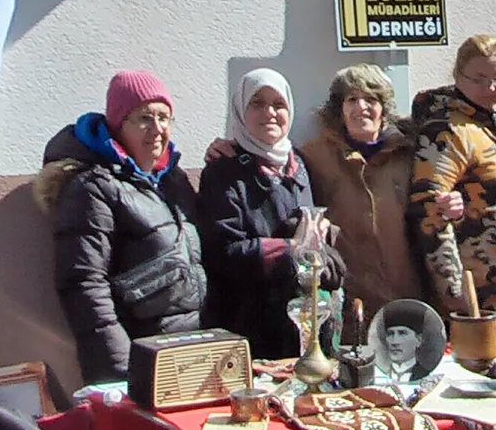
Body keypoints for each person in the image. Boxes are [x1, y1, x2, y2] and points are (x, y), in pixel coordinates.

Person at [34, 70, 206, 384]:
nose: (157, 129)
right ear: (118, 124)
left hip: (189, 358)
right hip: (137, 366)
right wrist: (123, 370)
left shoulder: (174, 181)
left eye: (164, 118)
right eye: (144, 118)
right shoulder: (93, 188)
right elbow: (84, 284)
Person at [300, 64, 462, 338]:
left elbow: (436, 204)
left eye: (371, 99)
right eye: (352, 99)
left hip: (409, 301)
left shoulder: (409, 154)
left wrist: (453, 206)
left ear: (384, 108)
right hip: (352, 310)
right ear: (340, 108)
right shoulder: (314, 157)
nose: (361, 107)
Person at [197, 68, 345, 360]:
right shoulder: (223, 171)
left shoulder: (299, 164)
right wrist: (291, 249)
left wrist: (321, 233)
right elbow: (222, 253)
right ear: (240, 111)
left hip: (304, 327)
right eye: (257, 104)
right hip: (250, 330)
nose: (270, 113)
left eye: (279, 104)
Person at [407, 34, 496, 323]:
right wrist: (456, 297)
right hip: (484, 298)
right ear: (458, 75)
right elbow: (429, 213)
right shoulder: (447, 130)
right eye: (479, 79)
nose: (490, 88)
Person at [379, 300, 430, 383]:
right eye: (390, 334)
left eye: (402, 333)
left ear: (418, 340)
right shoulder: (379, 375)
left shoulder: (427, 374)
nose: (395, 342)